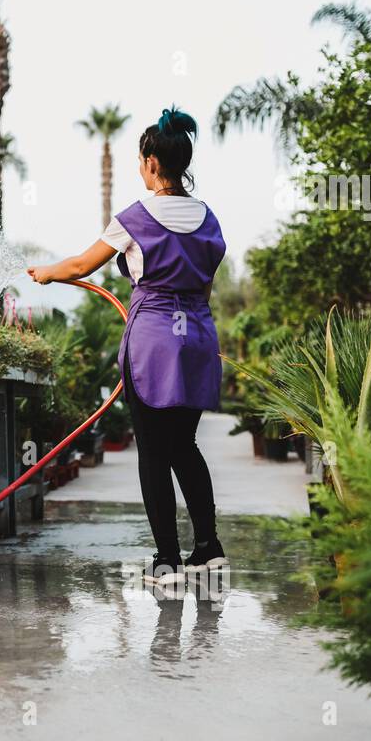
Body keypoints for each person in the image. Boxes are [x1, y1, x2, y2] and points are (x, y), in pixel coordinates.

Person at [28, 106, 228, 585]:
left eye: (140, 161)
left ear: (152, 163)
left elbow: (80, 266)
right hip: (197, 337)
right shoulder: (209, 218)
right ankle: (209, 549)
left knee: (154, 453)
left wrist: (46, 273)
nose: (140, 168)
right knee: (185, 445)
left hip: (153, 344)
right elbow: (203, 289)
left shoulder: (136, 218)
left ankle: (167, 562)